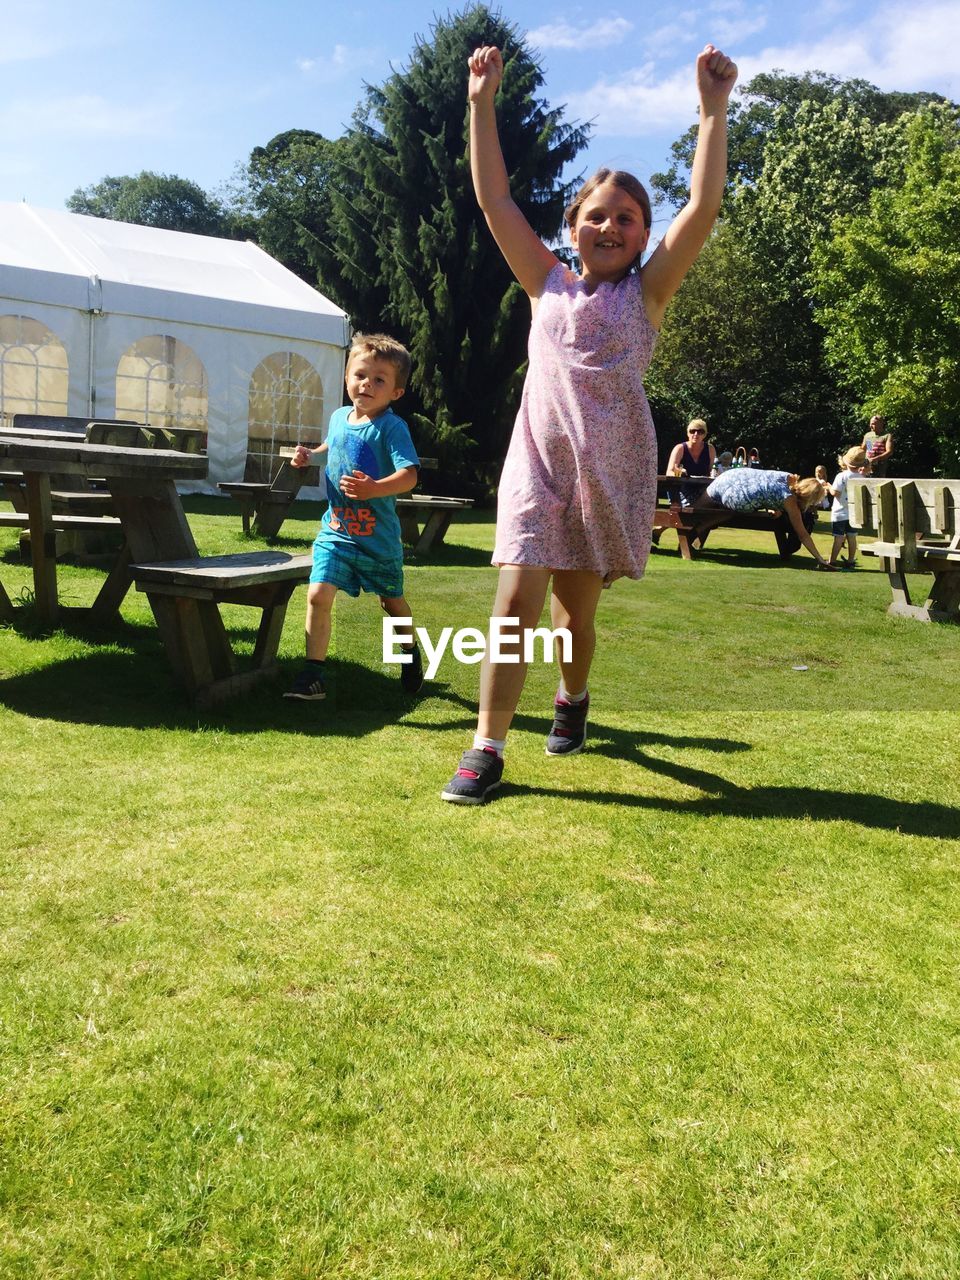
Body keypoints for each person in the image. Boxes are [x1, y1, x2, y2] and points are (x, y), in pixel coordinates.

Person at [441, 40, 738, 805]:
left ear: (643, 237)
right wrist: (481, 105)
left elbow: (701, 207)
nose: (610, 226)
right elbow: (495, 201)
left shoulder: (648, 295)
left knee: (576, 616)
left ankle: (573, 698)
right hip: (537, 469)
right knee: (513, 605)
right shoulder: (545, 285)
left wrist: (712, 114)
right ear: (573, 224)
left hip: (608, 477)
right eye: (596, 215)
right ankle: (487, 747)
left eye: (628, 219)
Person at [284, 333, 424, 701]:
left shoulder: (392, 428)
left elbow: (410, 475)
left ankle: (410, 652)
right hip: (336, 531)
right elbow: (332, 448)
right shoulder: (338, 417)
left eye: (379, 380)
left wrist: (374, 488)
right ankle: (312, 676)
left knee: (391, 601)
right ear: (347, 377)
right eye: (360, 375)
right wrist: (309, 456)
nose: (367, 384)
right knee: (317, 595)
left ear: (396, 392)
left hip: (378, 540)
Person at [696, 468, 836, 568]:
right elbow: (802, 534)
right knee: (738, 509)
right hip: (737, 497)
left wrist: (774, 507)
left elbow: (766, 486)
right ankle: (698, 529)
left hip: (728, 477)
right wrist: (819, 558)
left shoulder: (789, 477)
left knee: (699, 512)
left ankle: (694, 532)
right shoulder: (790, 502)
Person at [825, 446, 868, 568]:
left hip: (840, 512)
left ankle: (832, 560)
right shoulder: (862, 478)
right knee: (852, 537)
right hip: (854, 513)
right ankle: (850, 560)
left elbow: (836, 493)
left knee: (838, 537)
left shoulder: (841, 476)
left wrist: (828, 487)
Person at [665, 418, 716, 506]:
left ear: (704, 435)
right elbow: (669, 472)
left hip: (702, 489)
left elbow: (711, 471)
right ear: (688, 433)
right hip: (680, 492)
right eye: (692, 431)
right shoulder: (680, 448)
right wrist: (679, 473)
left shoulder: (710, 449)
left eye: (700, 431)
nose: (696, 434)